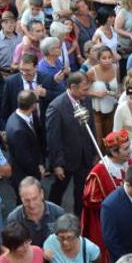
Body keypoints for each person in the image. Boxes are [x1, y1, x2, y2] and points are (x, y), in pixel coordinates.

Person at [46, 72, 97, 216]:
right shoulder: (56, 107)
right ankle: (50, 218)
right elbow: (53, 139)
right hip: (65, 161)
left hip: (84, 157)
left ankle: (79, 222)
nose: (86, 92)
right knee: (58, 191)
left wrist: (93, 152)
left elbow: (91, 126)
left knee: (82, 193)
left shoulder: (86, 100)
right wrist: (57, 164)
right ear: (73, 87)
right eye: (84, 89)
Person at [81, 129, 130, 263]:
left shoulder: (129, 163)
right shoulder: (99, 172)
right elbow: (90, 200)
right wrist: (113, 201)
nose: (130, 151)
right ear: (114, 152)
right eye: (126, 148)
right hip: (107, 222)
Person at [6, 176, 66, 249]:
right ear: (21, 198)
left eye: (35, 198)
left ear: (42, 194)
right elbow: (9, 247)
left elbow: (66, 241)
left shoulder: (58, 213)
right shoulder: (14, 218)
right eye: (27, 200)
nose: (32, 205)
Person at [5, 90, 45, 192]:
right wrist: (38, 172)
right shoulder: (19, 130)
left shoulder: (16, 116)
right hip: (23, 175)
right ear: (33, 106)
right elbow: (25, 159)